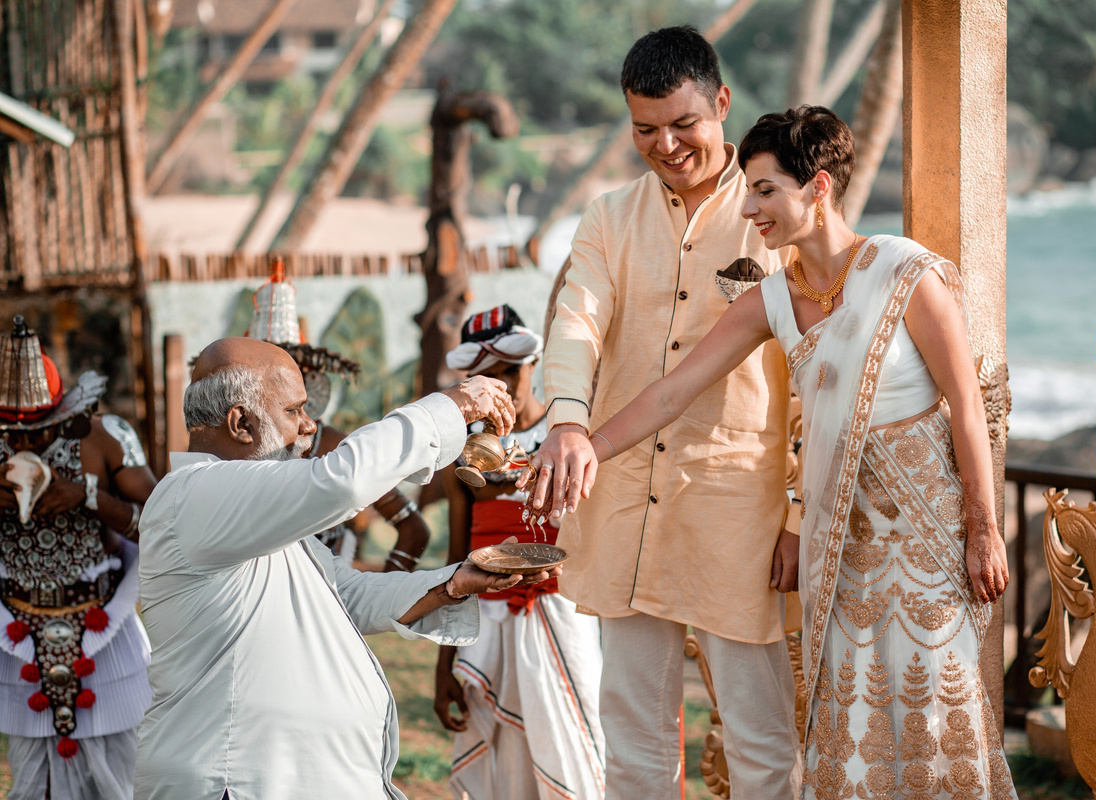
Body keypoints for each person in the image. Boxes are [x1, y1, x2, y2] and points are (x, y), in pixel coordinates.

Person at [571, 106, 1016, 798]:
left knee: (934, 720)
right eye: (748, 191)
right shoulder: (771, 300)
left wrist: (984, 528)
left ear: (819, 188)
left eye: (765, 190)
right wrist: (585, 447)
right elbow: (672, 393)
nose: (748, 208)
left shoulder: (904, 272)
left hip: (927, 542)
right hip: (841, 550)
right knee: (855, 730)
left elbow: (967, 405)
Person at [531, 25, 801, 798]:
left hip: (738, 510)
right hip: (622, 502)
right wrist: (567, 421)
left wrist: (799, 512)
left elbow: (813, 382)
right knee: (634, 741)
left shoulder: (774, 218)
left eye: (684, 124)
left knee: (761, 741)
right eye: (646, 129)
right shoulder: (609, 217)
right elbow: (576, 323)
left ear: (722, 103)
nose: (667, 146)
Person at [133, 337, 558, 800]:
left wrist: (454, 584)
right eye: (294, 410)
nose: (309, 425)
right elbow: (343, 480)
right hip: (235, 784)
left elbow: (345, 596)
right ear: (241, 423)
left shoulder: (243, 513)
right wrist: (452, 406)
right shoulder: (194, 495)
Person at [434, 305, 604, 800]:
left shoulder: (570, 436)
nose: (501, 386)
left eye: (510, 371)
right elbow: (456, 557)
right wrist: (444, 666)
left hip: (561, 610)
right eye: (486, 377)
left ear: (534, 365)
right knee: (503, 760)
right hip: (485, 621)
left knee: (576, 747)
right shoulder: (461, 453)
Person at [0, 315, 158, 800]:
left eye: (39, 432)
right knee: (32, 777)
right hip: (17, 630)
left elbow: (161, 523)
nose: (24, 444)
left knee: (125, 774)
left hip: (103, 626)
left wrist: (86, 495)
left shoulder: (105, 437)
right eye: (10, 433)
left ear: (64, 415)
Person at [242, 262, 431, 571]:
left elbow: (414, 530)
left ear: (306, 379)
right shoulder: (230, 448)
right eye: (252, 379)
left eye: (279, 377)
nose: (264, 389)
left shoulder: (332, 446)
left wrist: (380, 593)